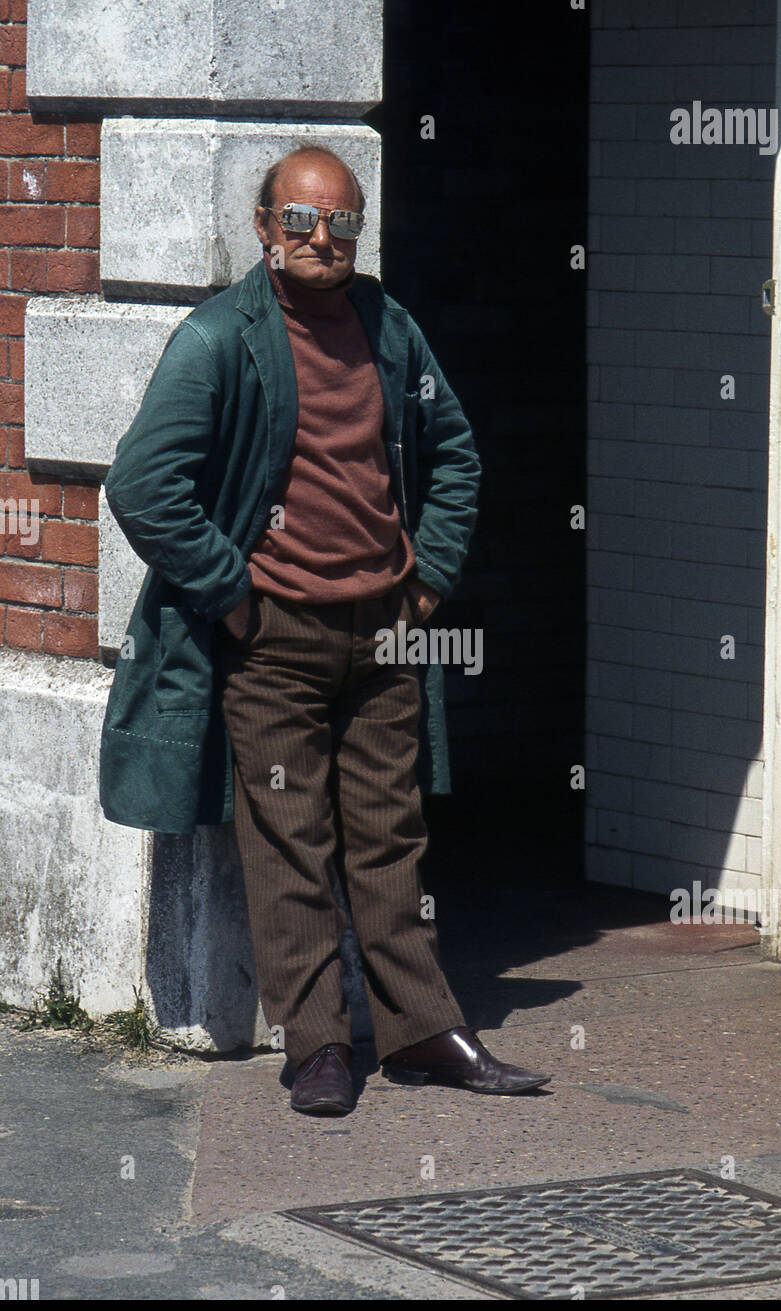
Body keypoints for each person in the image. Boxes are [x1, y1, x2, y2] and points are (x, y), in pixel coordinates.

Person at [101, 143, 551, 1116]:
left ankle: (423, 1030)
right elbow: (141, 484)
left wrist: (427, 579)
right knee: (290, 843)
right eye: (300, 220)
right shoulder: (221, 338)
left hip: (385, 636)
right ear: (265, 231)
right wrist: (231, 592)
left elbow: (456, 454)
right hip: (274, 641)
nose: (322, 239)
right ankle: (317, 1049)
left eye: (342, 222)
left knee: (391, 838)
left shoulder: (390, 330)